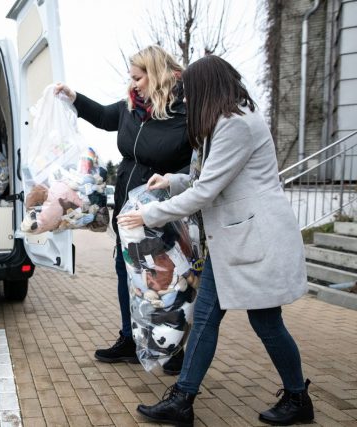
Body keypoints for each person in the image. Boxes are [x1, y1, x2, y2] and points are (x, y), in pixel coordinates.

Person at [118, 55, 314, 426]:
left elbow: (207, 190)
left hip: (256, 243)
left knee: (266, 323)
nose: (186, 101)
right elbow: (203, 180)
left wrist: (149, 215)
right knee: (207, 318)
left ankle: (297, 397)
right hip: (235, 246)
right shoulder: (222, 123)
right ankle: (182, 399)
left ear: (207, 87)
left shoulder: (236, 125)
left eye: (189, 93)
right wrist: (171, 181)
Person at [55, 45, 192, 373]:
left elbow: (197, 168)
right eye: (130, 78)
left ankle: (171, 346)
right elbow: (103, 116)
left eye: (138, 77)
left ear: (157, 75)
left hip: (164, 214)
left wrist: (175, 179)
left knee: (164, 279)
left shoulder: (185, 116)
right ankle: (131, 339)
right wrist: (74, 97)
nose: (132, 84)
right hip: (128, 214)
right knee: (127, 274)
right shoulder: (131, 110)